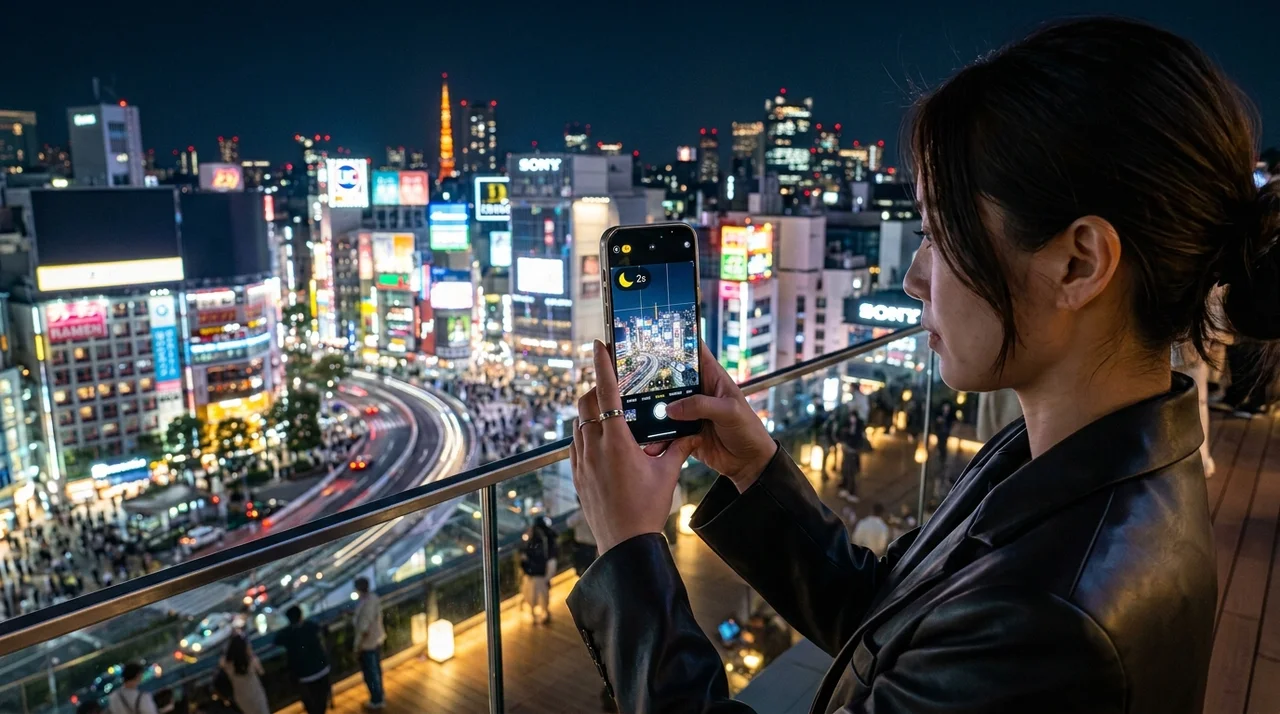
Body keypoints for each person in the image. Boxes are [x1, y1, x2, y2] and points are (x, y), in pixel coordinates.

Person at [565, 18, 1276, 713]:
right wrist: (755, 473)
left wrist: (629, 553)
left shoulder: (1051, 624)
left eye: (940, 232)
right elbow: (901, 626)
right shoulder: (1080, 457)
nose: (913, 275)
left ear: (1078, 263)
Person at [274, 605, 332, 714]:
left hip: (304, 675)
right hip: (321, 669)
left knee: (311, 703)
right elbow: (322, 630)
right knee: (321, 699)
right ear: (301, 616)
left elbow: (276, 640)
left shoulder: (287, 633)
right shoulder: (311, 626)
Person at [352, 576, 386, 710]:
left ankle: (376, 700)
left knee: (370, 674)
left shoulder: (366, 603)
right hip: (375, 640)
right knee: (375, 671)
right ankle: (379, 697)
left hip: (367, 645)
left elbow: (364, 629)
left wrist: (358, 648)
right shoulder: (373, 598)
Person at [520, 516, 558, 624]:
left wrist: (526, 562)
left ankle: (535, 614)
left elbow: (531, 552)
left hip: (537, 569)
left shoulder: (536, 536)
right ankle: (545, 612)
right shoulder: (549, 534)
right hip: (548, 565)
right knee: (544, 590)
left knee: (534, 592)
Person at [220, 633, 269, 714]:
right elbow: (261, 672)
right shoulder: (252, 661)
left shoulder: (227, 665)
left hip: (241, 696)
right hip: (256, 693)